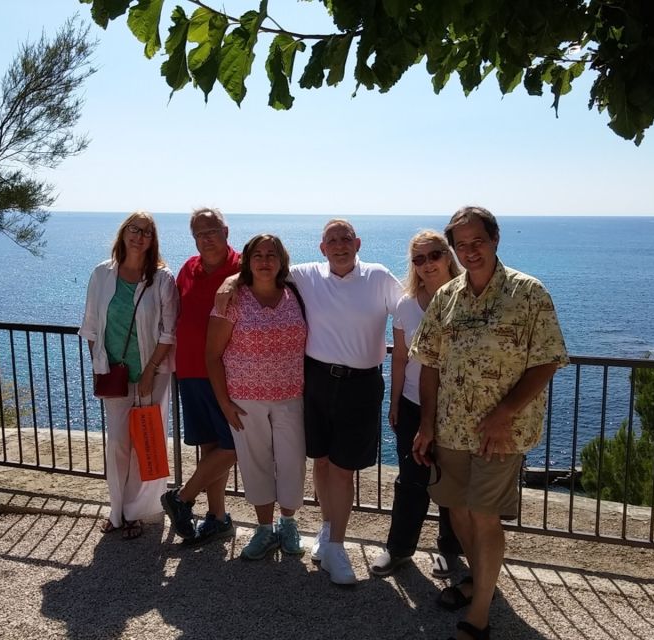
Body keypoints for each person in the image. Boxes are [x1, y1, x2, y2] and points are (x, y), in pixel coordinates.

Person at [410, 206, 568, 640]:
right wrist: (426, 424)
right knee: (458, 510)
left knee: (483, 515)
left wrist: (503, 414)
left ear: (495, 240)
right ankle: (481, 581)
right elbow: (430, 364)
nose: (470, 251)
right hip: (451, 427)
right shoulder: (448, 297)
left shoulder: (528, 292)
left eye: (477, 242)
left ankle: (478, 615)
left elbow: (548, 360)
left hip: (502, 432)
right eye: (461, 245)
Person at [217, 219, 402, 583]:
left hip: (361, 385)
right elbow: (261, 271)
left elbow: (411, 306)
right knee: (320, 460)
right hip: (316, 381)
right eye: (332, 240)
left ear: (358, 242)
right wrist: (229, 280)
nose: (339, 245)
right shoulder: (306, 275)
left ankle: (335, 544)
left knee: (343, 468)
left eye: (345, 238)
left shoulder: (379, 277)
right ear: (322, 248)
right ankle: (325, 532)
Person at [206, 234, 307, 560]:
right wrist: (224, 402)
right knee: (256, 463)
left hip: (291, 395)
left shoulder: (296, 292)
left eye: (272, 254)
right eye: (258, 255)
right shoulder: (231, 300)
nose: (265, 260)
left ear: (282, 261)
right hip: (245, 399)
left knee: (293, 462)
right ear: (247, 261)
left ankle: (288, 525)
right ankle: (264, 529)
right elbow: (212, 356)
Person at [79, 211, 179, 540]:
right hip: (116, 376)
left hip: (152, 374)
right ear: (123, 233)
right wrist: (101, 363)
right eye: (134, 229)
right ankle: (117, 510)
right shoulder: (101, 274)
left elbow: (168, 332)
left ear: (153, 241)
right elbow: (92, 325)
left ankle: (138, 511)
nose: (139, 236)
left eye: (147, 232)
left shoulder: (162, 279)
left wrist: (150, 371)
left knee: (145, 441)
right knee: (119, 444)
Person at [370, 230, 463, 578]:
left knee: (452, 483)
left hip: (456, 409)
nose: (427, 264)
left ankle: (451, 552)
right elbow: (399, 359)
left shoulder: (467, 298)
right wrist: (393, 403)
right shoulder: (406, 304)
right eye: (418, 258)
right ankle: (399, 550)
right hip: (412, 403)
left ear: (447, 256)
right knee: (411, 480)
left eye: (434, 255)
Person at [161, 208, 241, 544]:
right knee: (211, 446)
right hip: (191, 369)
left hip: (229, 373)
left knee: (236, 443)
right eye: (199, 233)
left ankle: (181, 498)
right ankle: (218, 517)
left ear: (225, 231)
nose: (206, 238)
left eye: (211, 231)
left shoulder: (242, 267)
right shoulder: (188, 268)